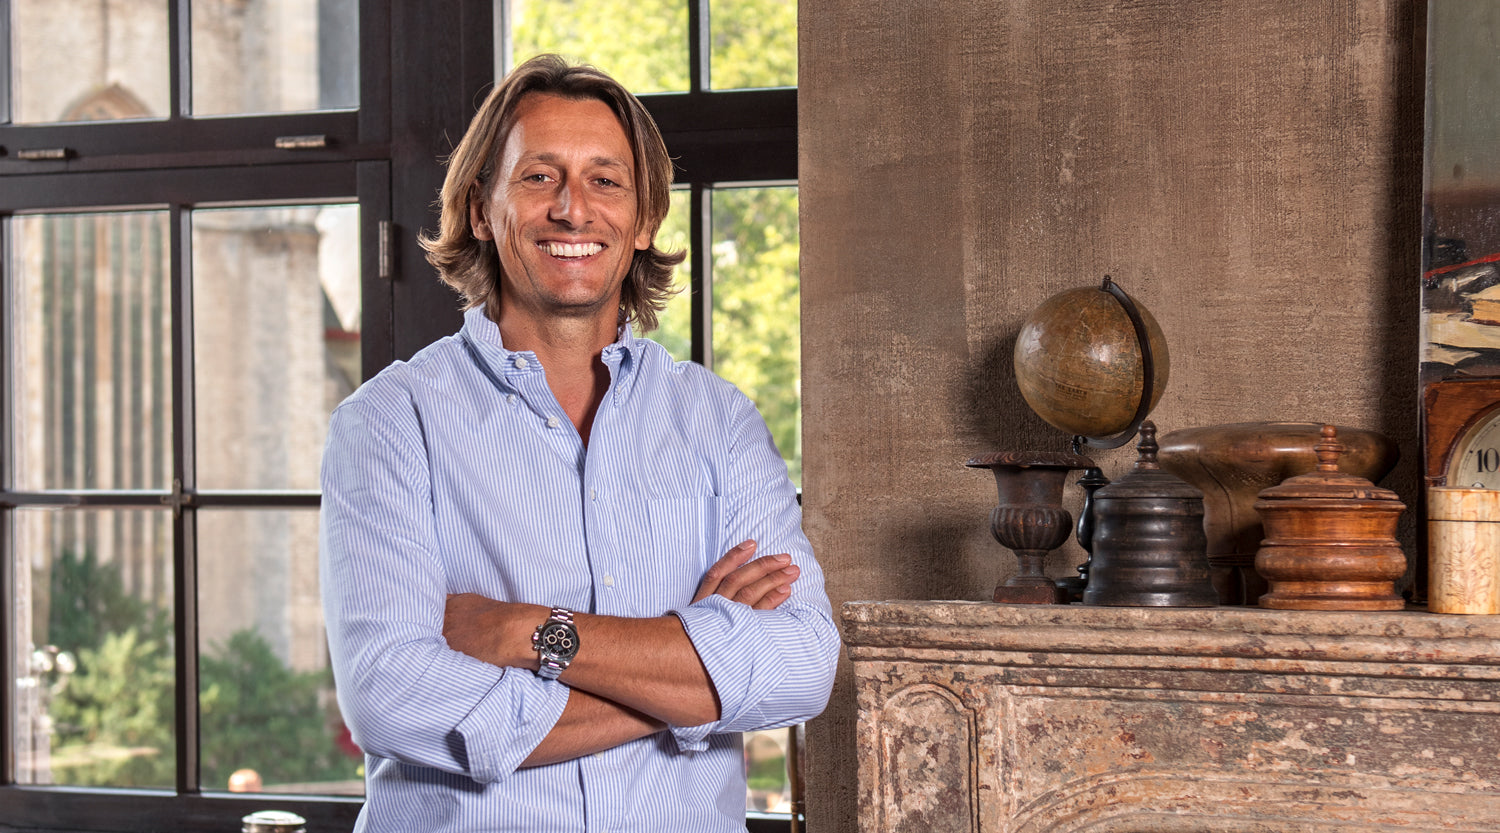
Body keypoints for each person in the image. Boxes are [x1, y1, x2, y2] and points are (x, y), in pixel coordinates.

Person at [319, 53, 840, 832]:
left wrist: (527, 632)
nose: (573, 209)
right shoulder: (391, 422)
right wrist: (695, 673)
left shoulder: (718, 421)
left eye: (606, 180)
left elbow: (802, 665)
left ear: (643, 219)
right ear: (479, 209)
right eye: (539, 177)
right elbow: (392, 696)